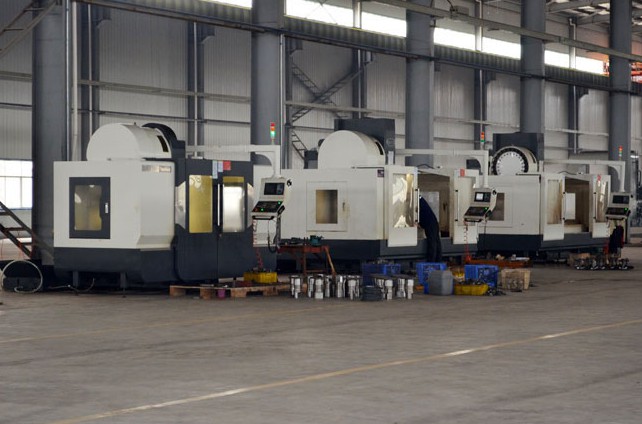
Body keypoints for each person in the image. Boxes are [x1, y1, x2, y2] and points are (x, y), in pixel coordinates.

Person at [419, 196, 442, 262]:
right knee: (436, 241)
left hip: (430, 223)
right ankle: (437, 260)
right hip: (433, 222)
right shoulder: (421, 200)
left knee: (432, 242)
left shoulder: (417, 200)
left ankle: (431, 261)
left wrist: (418, 223)